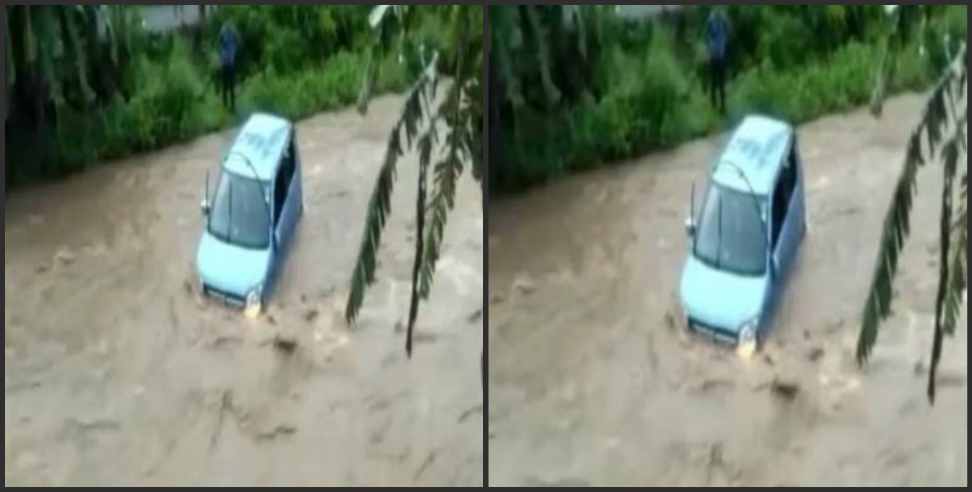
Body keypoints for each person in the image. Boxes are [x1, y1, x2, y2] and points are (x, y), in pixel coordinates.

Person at [705, 7, 730, 114]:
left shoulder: (723, 21)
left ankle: (722, 105)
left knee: (721, 83)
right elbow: (708, 35)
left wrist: (724, 20)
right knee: (714, 82)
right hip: (714, 57)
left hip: (721, 57)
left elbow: (729, 30)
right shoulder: (712, 20)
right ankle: (714, 103)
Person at [218, 20, 240, 111]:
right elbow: (220, 38)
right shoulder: (225, 43)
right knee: (226, 86)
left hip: (229, 65)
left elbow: (237, 38)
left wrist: (232, 30)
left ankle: (231, 106)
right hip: (226, 65)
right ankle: (226, 105)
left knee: (229, 87)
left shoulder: (231, 43)